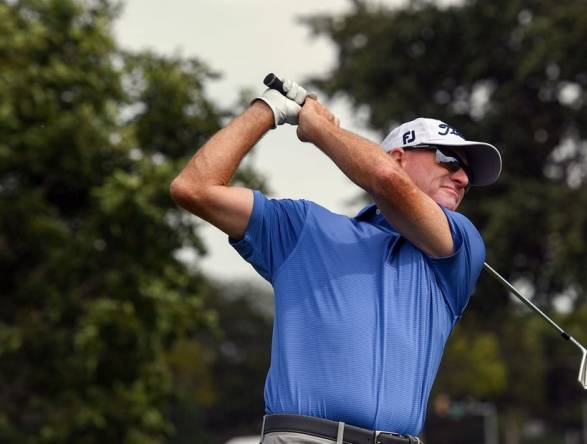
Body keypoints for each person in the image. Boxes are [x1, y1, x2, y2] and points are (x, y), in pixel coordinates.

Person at [170, 78, 502, 444]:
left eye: (468, 173)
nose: (463, 177)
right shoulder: (303, 227)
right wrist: (266, 110)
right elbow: (194, 188)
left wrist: (319, 131)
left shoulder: (460, 246)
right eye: (448, 159)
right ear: (397, 155)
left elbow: (385, 179)